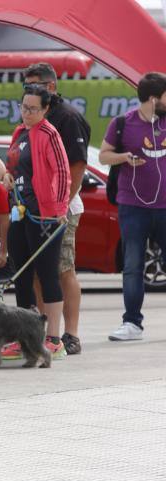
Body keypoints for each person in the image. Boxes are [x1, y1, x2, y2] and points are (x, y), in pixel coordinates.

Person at [23, 63, 91, 355]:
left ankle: (71, 333)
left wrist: (60, 207)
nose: (28, 91)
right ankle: (46, 332)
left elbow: (76, 167)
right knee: (41, 272)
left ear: (51, 87)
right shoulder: (30, 117)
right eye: (25, 86)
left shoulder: (67, 118)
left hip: (63, 209)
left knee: (63, 269)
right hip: (37, 210)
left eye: (34, 85)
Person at [2, 85, 71, 359]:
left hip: (44, 214)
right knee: (21, 274)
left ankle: (54, 338)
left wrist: (59, 208)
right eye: (23, 107)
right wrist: (7, 175)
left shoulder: (48, 134)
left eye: (33, 109)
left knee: (47, 273)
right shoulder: (19, 133)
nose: (27, 113)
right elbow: (12, 166)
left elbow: (63, 172)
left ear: (45, 110)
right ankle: (24, 336)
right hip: (19, 211)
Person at [99, 72, 166, 341]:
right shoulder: (122, 124)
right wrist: (123, 157)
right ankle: (132, 323)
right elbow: (103, 156)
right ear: (153, 98)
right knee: (133, 265)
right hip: (133, 206)